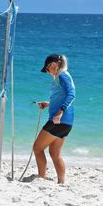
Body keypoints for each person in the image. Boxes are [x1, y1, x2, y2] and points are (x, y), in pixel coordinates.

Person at [32, 54, 75, 184]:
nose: (47, 71)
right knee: (55, 154)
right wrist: (48, 104)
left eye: (47, 68)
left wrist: (60, 112)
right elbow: (61, 96)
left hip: (58, 120)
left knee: (37, 148)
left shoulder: (62, 75)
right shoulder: (61, 77)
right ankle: (61, 182)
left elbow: (72, 94)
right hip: (66, 123)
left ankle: (41, 178)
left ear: (55, 64)